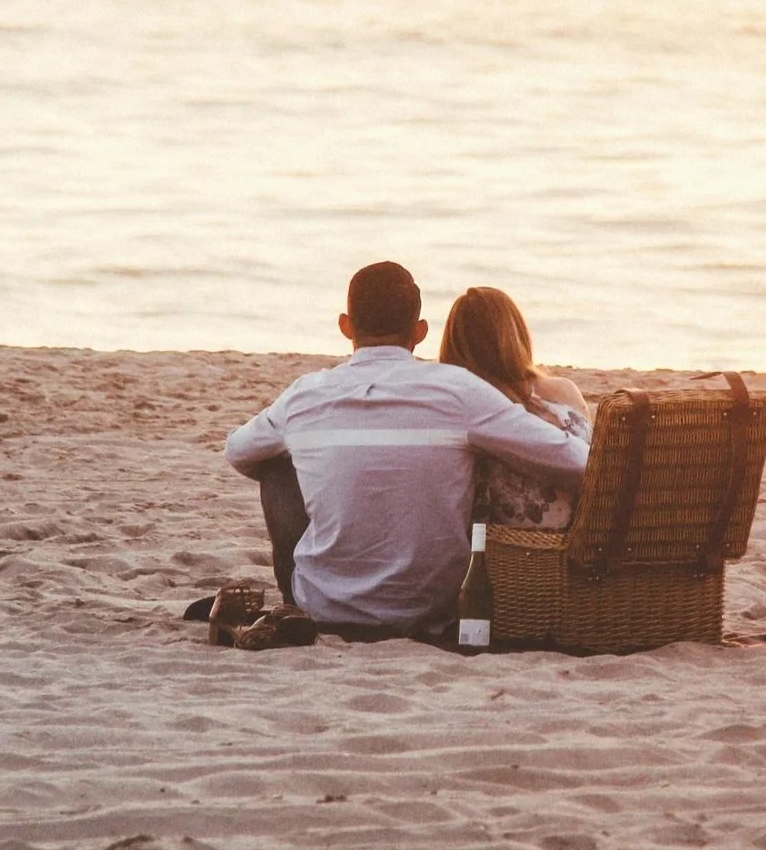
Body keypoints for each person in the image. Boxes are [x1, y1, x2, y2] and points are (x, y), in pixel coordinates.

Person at [223, 262, 589, 637]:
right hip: (433, 610)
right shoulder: (458, 390)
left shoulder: (304, 395)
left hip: (324, 606)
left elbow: (237, 450)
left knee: (274, 465)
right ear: (419, 331)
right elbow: (574, 461)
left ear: (345, 326)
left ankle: (294, 601)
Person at [437, 286, 594, 530]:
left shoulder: (473, 407)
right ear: (516, 334)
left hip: (509, 543)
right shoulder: (564, 390)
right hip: (586, 530)